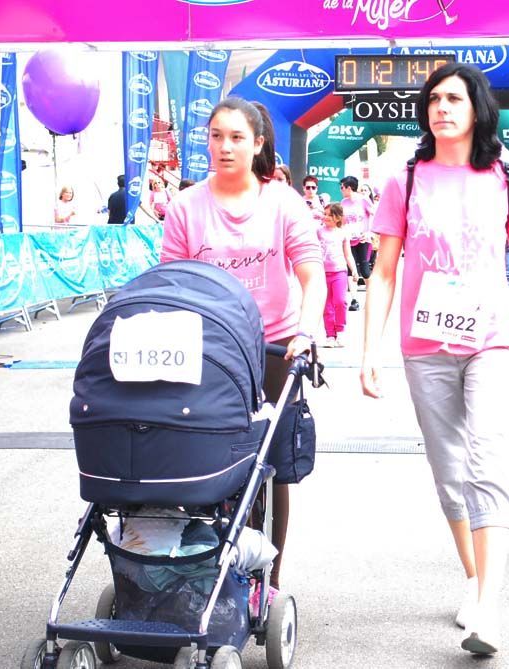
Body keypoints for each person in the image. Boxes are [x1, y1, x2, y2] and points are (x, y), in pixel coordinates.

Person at [360, 62, 509, 656]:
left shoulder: (506, 174)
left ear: (477, 108)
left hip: (491, 338)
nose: (441, 107)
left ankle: (488, 604)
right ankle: (472, 578)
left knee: (487, 459)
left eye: (454, 99)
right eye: (434, 99)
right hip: (425, 344)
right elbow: (383, 273)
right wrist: (370, 349)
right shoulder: (405, 179)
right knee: (449, 472)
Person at [160, 96, 326, 606]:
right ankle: (204, 568)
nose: (225, 147)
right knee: (207, 460)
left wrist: (306, 331)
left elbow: (311, 272)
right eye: (216, 136)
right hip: (208, 351)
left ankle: (266, 583)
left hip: (274, 347)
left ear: (257, 144)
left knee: (269, 468)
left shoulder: (283, 202)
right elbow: (171, 282)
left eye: (236, 137)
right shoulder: (186, 206)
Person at [318, 203, 358, 348]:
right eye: (325, 214)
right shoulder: (318, 232)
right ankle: (330, 335)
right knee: (327, 305)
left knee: (340, 301)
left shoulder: (342, 233)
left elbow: (348, 254)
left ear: (338, 217)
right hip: (322, 273)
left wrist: (354, 270)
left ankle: (340, 332)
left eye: (330, 214)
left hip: (339, 271)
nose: (326, 217)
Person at [339, 176, 376, 280]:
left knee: (365, 271)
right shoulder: (343, 202)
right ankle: (353, 291)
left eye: (342, 187)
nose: (341, 190)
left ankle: (372, 287)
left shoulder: (364, 200)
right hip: (349, 239)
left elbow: (376, 216)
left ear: (349, 188)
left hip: (363, 239)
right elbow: (342, 221)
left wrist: (369, 233)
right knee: (351, 269)